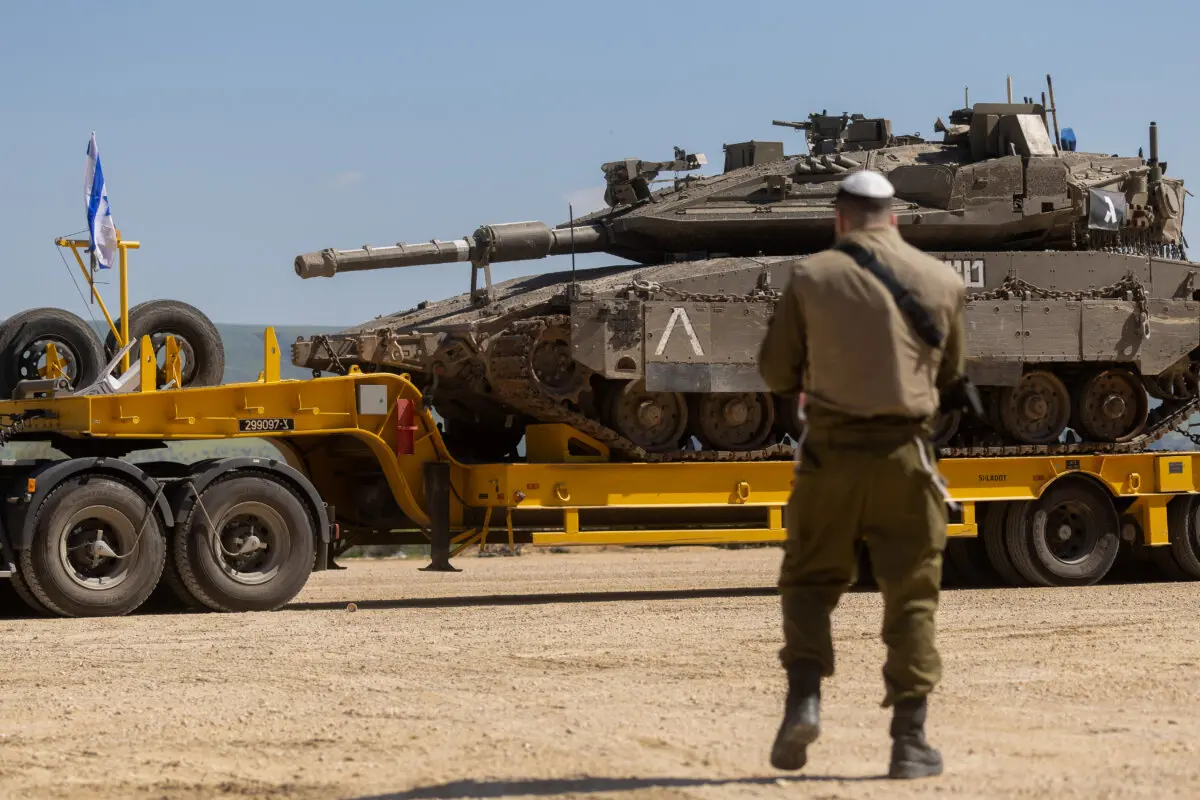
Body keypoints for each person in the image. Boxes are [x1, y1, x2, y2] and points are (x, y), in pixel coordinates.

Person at [757, 169, 966, 779]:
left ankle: (805, 702)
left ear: (839, 218)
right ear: (894, 218)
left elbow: (776, 373)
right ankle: (909, 741)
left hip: (830, 456)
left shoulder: (810, 276)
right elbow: (951, 374)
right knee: (912, 596)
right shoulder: (942, 279)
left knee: (809, 580)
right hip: (907, 457)